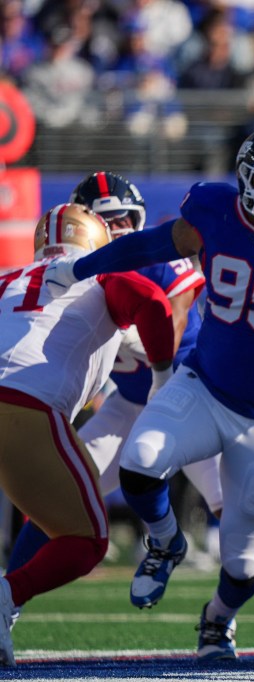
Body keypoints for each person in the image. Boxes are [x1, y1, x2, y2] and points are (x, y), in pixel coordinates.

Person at [41, 125, 254, 661]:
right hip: (205, 386)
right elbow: (150, 244)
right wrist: (81, 266)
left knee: (245, 562)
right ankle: (165, 541)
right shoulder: (214, 210)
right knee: (140, 461)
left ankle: (218, 618)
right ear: (245, 179)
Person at [8, 171, 254, 653]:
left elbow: (175, 315)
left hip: (191, 396)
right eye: (108, 220)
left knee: (230, 504)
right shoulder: (77, 274)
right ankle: (10, 603)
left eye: (126, 219)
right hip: (130, 402)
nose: (120, 230)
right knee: (56, 499)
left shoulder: (157, 262)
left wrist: (132, 339)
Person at [0, 202, 176, 665]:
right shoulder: (97, 275)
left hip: (19, 403)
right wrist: (162, 380)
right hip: (24, 405)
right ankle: (6, 596)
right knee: (86, 540)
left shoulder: (8, 277)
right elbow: (153, 302)